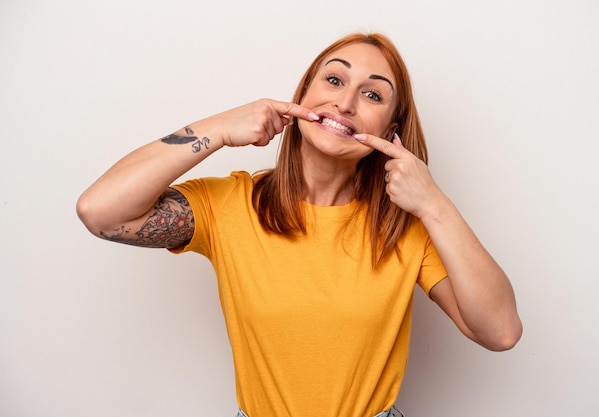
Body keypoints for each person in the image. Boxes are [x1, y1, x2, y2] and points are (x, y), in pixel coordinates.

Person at [77, 32, 522, 417]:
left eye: (372, 95)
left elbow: (500, 332)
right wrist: (218, 128)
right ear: (302, 95)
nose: (344, 103)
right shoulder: (231, 205)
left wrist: (435, 204)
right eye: (333, 79)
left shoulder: (403, 226)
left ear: (392, 131)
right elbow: (100, 211)